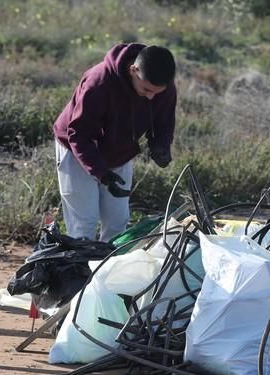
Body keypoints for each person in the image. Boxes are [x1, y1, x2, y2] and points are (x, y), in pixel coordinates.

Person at [53, 43, 177, 242]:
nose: (151, 96)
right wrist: (101, 173)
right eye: (146, 89)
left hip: (119, 152)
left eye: (157, 92)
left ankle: (108, 272)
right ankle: (80, 271)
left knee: (118, 224)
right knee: (84, 224)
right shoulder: (99, 82)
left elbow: (164, 122)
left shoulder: (163, 87)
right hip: (77, 149)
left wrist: (161, 144)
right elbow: (79, 134)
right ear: (133, 70)